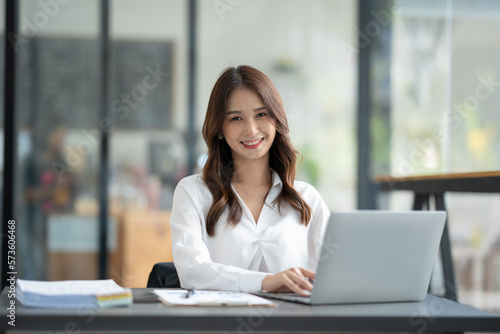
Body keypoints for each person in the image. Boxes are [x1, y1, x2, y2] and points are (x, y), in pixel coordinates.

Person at [170, 65, 330, 296]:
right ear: (220, 128)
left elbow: (331, 276)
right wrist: (266, 282)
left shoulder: (307, 198)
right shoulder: (193, 192)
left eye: (261, 114)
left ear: (276, 119)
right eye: (236, 118)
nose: (252, 129)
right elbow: (192, 272)